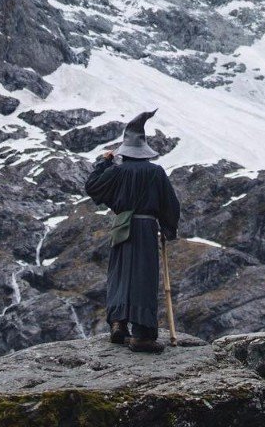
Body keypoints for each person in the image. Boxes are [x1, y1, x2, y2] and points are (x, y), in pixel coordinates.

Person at [85, 109, 180, 353]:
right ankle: (143, 335)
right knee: (143, 277)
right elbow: (170, 203)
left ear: (125, 150)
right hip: (147, 227)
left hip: (121, 225)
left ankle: (118, 322)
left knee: (120, 273)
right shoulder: (155, 172)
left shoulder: (116, 171)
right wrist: (168, 228)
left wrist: (104, 162)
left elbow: (92, 187)